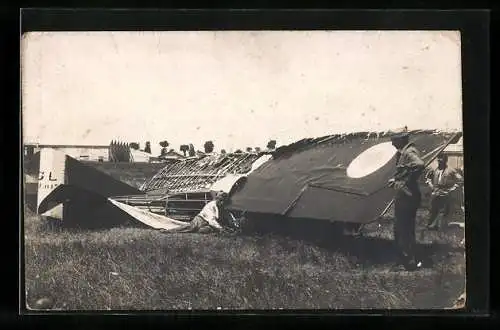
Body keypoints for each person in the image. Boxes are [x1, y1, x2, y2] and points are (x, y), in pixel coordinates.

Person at [388, 127, 425, 271]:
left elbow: (419, 164)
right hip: (405, 195)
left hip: (407, 196)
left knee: (403, 230)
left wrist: (404, 181)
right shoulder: (404, 152)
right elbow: (406, 170)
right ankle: (406, 260)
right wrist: (398, 179)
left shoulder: (409, 152)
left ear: (401, 139)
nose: (392, 144)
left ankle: (408, 263)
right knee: (402, 229)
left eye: (394, 140)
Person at [424, 153, 463, 230]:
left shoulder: (451, 170)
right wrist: (430, 184)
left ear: (445, 160)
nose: (439, 160)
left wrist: (453, 188)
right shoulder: (434, 169)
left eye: (441, 158)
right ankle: (431, 225)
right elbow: (427, 177)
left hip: (445, 193)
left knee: (443, 210)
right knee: (433, 209)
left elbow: (460, 180)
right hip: (435, 192)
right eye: (438, 158)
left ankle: (440, 227)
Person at [160, 191, 228, 234]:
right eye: (221, 201)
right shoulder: (211, 205)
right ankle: (168, 231)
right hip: (200, 220)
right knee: (188, 228)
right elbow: (212, 220)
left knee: (205, 230)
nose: (222, 203)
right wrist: (220, 228)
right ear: (218, 200)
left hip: (206, 223)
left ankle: (201, 230)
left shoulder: (219, 206)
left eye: (223, 201)